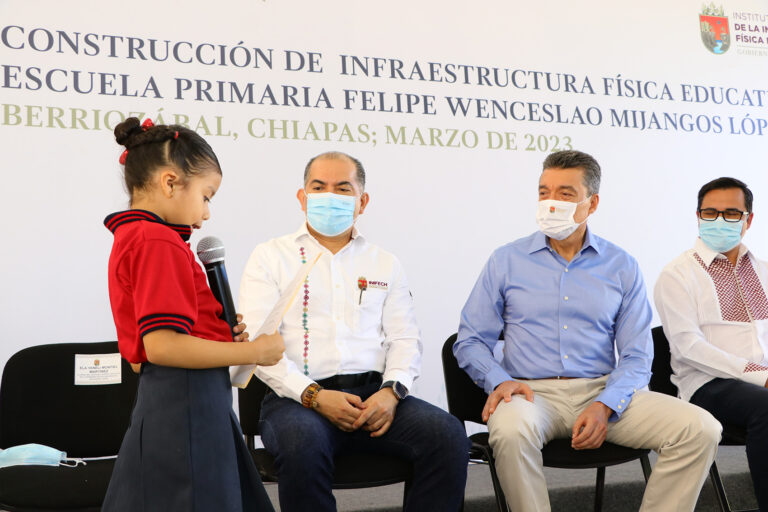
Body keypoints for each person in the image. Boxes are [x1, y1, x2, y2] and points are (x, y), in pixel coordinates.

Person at [454, 150, 721, 512]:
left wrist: (606, 403)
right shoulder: (506, 260)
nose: (551, 203)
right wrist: (499, 381)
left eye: (565, 194)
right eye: (544, 192)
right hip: (531, 394)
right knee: (511, 431)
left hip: (602, 390)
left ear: (591, 203)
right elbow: (470, 341)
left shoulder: (621, 265)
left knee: (700, 428)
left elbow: (637, 355)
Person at [238, 151, 469, 512]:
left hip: (375, 396)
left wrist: (391, 392)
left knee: (448, 435)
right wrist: (315, 396)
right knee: (302, 444)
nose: (330, 195)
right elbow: (257, 347)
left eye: (343, 188)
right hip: (297, 401)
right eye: (319, 187)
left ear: (362, 202)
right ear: (302, 197)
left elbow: (405, 339)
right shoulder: (270, 257)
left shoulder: (384, 262)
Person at [102, 117, 283, 511]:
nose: (207, 213)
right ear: (170, 183)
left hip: (175, 400)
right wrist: (254, 352)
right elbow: (163, 346)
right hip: (186, 405)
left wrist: (216, 334)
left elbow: (140, 357)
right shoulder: (157, 240)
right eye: (206, 196)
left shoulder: (135, 236)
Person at [654, 177, 768, 510]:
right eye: (710, 212)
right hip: (708, 384)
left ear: (748, 220)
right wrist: (759, 376)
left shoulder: (763, 270)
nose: (719, 220)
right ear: (698, 216)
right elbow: (690, 348)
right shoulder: (677, 274)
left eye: (731, 213)